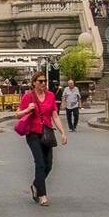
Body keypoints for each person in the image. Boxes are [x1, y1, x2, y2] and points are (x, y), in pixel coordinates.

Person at [17, 72, 67, 206]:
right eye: (40, 81)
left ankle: (35, 185)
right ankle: (42, 195)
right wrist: (27, 109)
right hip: (33, 133)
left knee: (49, 164)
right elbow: (18, 114)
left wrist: (62, 132)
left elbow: (55, 115)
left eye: (45, 81)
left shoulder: (50, 96)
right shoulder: (28, 96)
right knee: (40, 163)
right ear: (34, 83)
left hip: (47, 133)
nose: (43, 83)